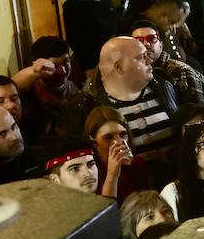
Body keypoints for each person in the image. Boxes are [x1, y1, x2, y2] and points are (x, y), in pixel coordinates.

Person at [58, 37, 179, 165]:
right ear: (119, 67)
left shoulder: (164, 87)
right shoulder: (85, 107)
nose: (150, 60)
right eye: (142, 57)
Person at [62, 0, 118, 81]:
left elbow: (114, 21)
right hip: (94, 63)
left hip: (114, 54)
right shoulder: (72, 7)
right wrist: (89, 68)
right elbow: (76, 42)